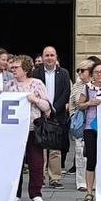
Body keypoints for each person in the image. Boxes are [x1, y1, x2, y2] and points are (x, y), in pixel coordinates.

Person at [8, 55, 52, 201]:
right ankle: (16, 192)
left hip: (34, 128)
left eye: (16, 67)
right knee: (15, 162)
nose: (13, 70)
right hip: (15, 129)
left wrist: (36, 100)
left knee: (36, 161)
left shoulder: (37, 84)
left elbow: (47, 107)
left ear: (25, 69)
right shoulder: (9, 86)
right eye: (12, 67)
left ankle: (35, 193)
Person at [32, 46, 71, 189]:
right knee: (40, 146)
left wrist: (53, 108)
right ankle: (40, 177)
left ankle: (55, 178)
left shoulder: (64, 73)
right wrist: (44, 108)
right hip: (40, 113)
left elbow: (66, 92)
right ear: (42, 58)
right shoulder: (35, 73)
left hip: (57, 114)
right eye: (46, 55)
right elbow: (33, 91)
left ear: (56, 57)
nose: (49, 58)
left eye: (52, 55)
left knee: (55, 148)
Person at [78, 60, 101, 201]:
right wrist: (89, 103)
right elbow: (79, 105)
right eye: (96, 72)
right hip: (91, 128)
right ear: (92, 74)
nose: (99, 75)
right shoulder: (87, 88)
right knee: (91, 159)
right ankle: (89, 192)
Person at [67, 60, 93, 191]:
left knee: (93, 152)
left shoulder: (97, 84)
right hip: (81, 121)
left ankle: (94, 181)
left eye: (83, 70)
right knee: (80, 151)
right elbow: (73, 102)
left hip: (95, 121)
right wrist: (73, 116)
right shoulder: (78, 85)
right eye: (78, 70)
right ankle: (81, 182)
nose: (79, 73)